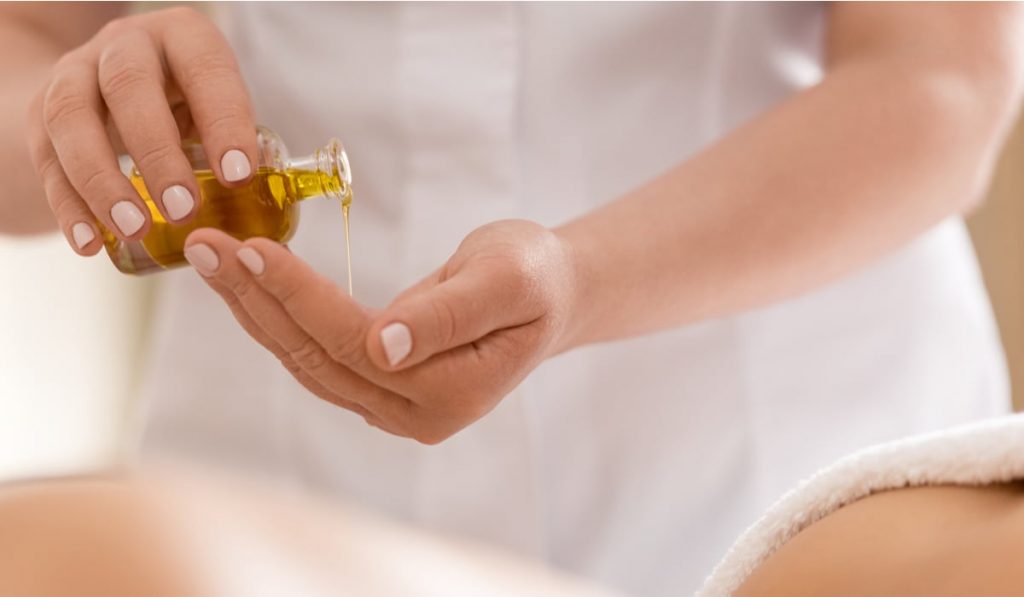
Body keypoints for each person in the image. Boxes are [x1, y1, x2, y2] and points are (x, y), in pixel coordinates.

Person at [0, 3, 1021, 595]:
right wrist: (71, 126)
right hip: (283, 505)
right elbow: (27, 38)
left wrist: (580, 283)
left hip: (778, 494)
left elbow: (939, 80)